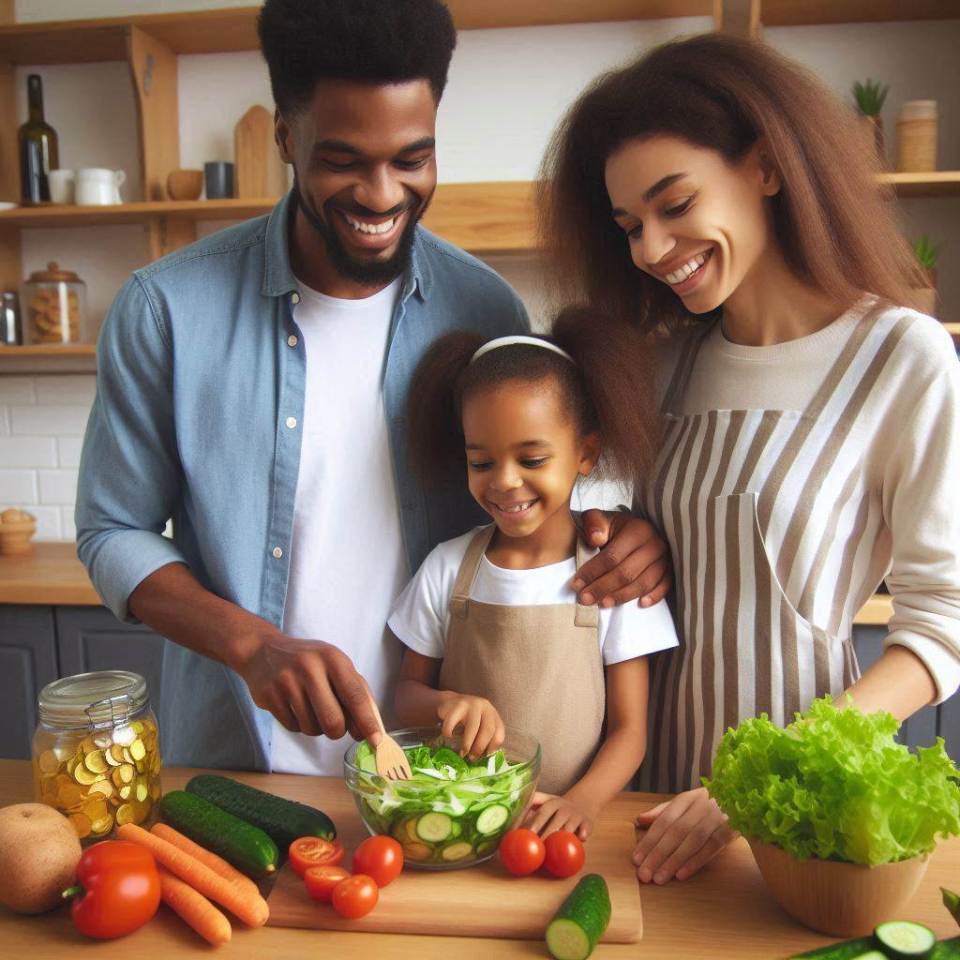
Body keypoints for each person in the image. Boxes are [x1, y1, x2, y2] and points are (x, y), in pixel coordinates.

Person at [75, 0, 670, 776]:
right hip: (237, 765)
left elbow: (522, 501)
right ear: (287, 137)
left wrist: (617, 533)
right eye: (344, 161)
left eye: (412, 158)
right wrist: (252, 644)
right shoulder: (166, 310)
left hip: (439, 777)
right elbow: (112, 530)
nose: (383, 195)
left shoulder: (485, 309)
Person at [539, 33, 960, 882]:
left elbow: (942, 627)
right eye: (629, 226)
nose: (652, 249)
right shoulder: (660, 362)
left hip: (793, 818)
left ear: (766, 166)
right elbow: (610, 538)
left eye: (675, 204)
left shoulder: (902, 358)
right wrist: (621, 530)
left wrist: (751, 785)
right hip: (642, 805)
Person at [387, 309, 679, 839]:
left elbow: (631, 731)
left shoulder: (614, 581)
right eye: (481, 463)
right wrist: (444, 704)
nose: (504, 482)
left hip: (570, 833)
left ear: (585, 453)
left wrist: (582, 804)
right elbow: (405, 695)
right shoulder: (447, 568)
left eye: (532, 459)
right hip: (460, 823)